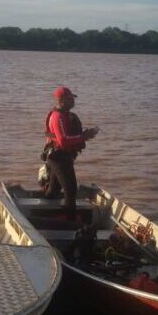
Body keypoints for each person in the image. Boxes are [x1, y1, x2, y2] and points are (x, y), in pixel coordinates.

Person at [42, 86, 99, 220]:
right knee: (71, 189)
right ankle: (70, 219)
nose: (73, 101)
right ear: (62, 100)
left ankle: (47, 212)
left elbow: (68, 136)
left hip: (61, 156)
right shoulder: (58, 117)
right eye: (70, 98)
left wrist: (85, 134)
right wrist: (84, 136)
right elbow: (63, 141)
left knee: (54, 191)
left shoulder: (66, 115)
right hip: (58, 157)